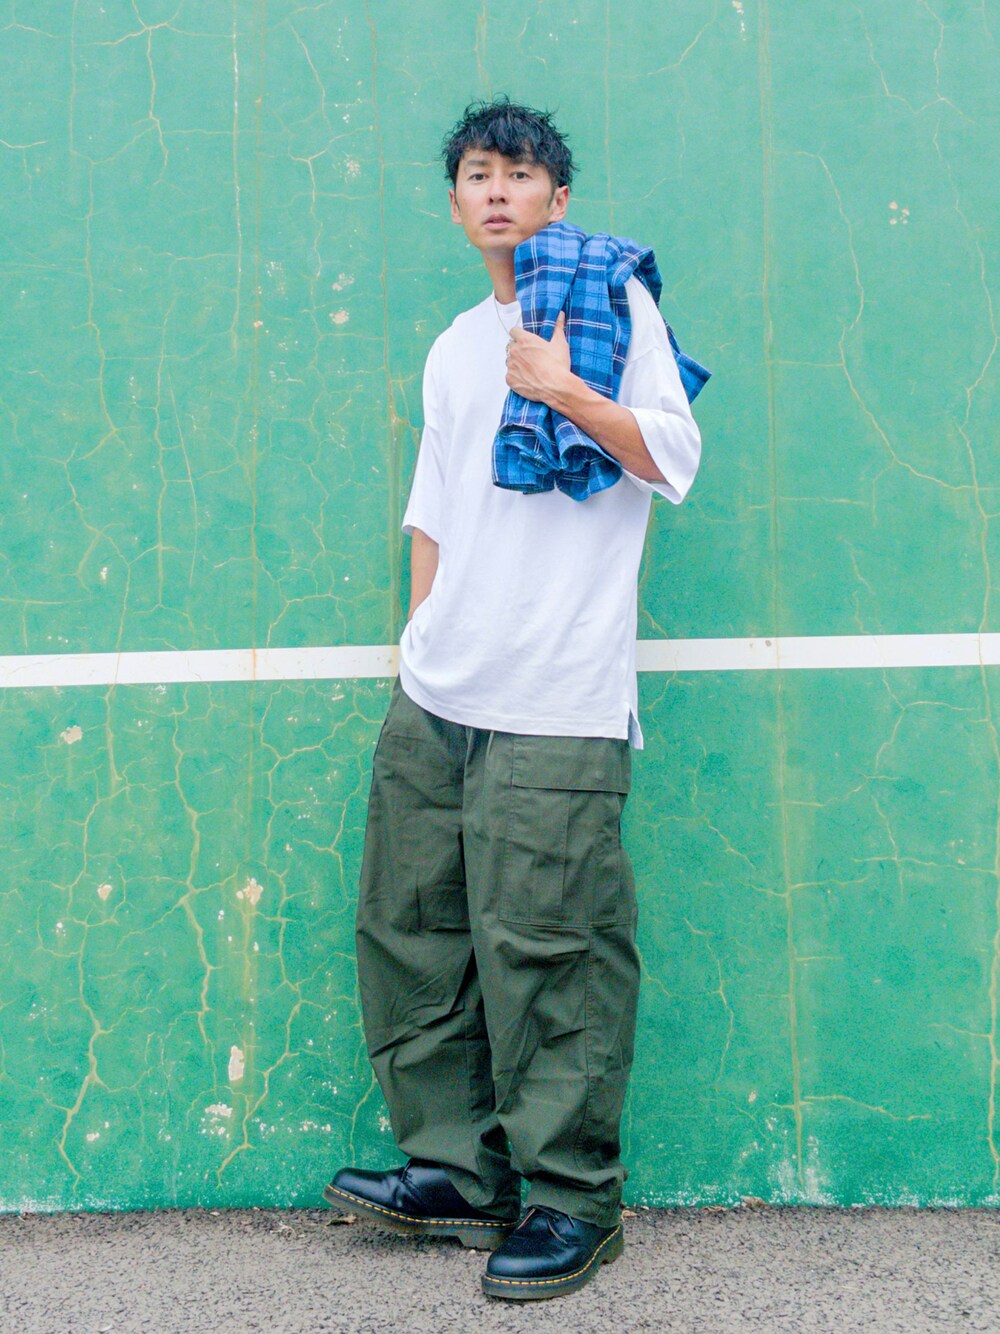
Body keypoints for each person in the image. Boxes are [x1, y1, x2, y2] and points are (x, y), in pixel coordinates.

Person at [324, 97, 703, 1301]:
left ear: (558, 198)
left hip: (557, 692)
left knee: (552, 948)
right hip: (440, 689)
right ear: (455, 206)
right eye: (478, 175)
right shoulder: (452, 345)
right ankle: (457, 1167)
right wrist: (419, 644)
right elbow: (433, 507)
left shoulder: (608, 306)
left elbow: (672, 454)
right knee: (414, 930)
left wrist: (564, 385)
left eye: (521, 174)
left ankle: (572, 1200)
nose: (498, 190)